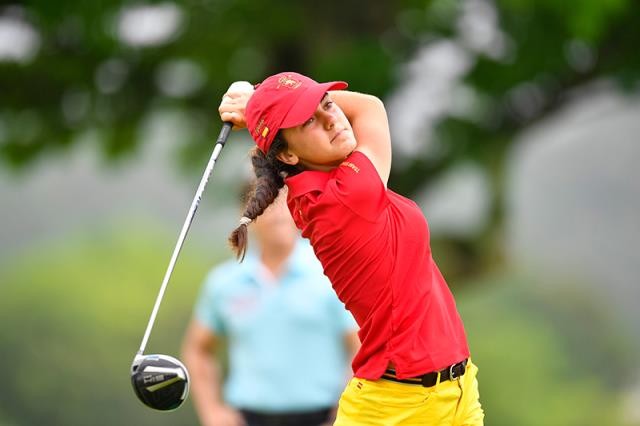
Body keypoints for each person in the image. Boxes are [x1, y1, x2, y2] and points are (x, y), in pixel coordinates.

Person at [217, 71, 484, 425]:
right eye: (309, 120)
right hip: (395, 408)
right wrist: (256, 103)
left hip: (456, 393)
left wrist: (260, 99)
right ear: (289, 155)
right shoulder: (344, 196)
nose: (331, 119)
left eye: (327, 104)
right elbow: (370, 108)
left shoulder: (324, 185)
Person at [182, 187, 360, 426]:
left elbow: (360, 345)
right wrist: (212, 412)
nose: (279, 215)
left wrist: (349, 410)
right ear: (247, 215)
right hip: (248, 418)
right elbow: (197, 349)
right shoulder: (224, 282)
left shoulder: (331, 273)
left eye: (286, 204)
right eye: (268, 205)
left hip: (322, 418)